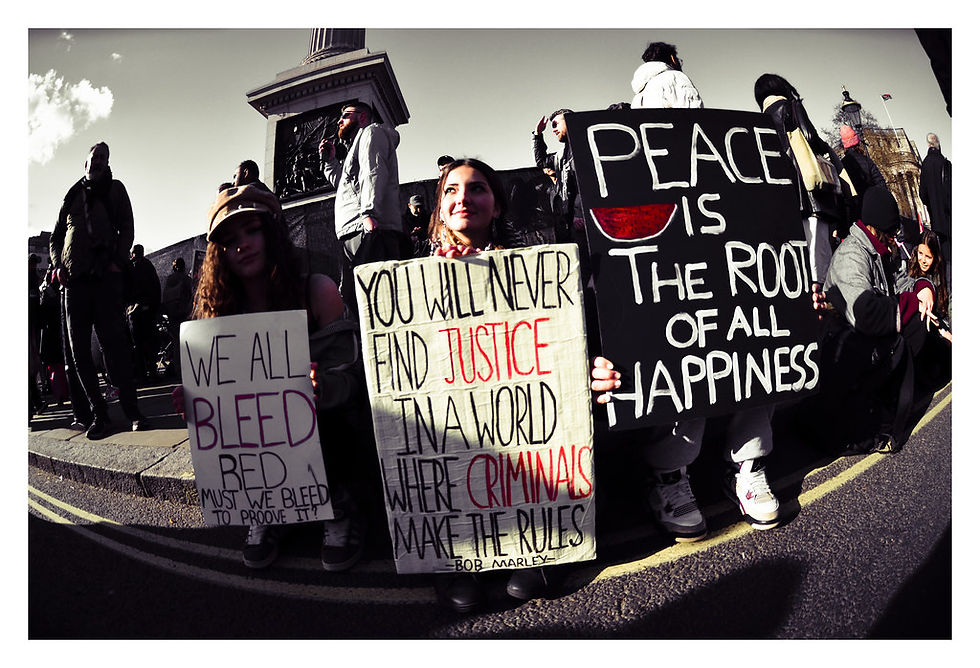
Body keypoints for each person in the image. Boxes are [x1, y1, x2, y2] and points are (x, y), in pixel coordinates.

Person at [175, 184, 370, 572]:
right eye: (229, 240)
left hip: (323, 425)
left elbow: (355, 385)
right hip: (265, 450)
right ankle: (263, 507)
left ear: (274, 233)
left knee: (330, 418)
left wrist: (323, 386)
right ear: (219, 254)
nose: (242, 245)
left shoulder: (317, 290)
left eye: (252, 231)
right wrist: (196, 402)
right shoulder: (215, 314)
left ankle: (341, 507)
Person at [425, 158, 549, 612]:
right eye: (452, 190)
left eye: (477, 189)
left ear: (496, 206)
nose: (464, 198)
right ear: (440, 207)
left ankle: (530, 538)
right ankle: (456, 552)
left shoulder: (532, 271)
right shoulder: (412, 280)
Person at [818, 186, 950, 452]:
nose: (895, 239)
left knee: (922, 323)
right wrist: (912, 303)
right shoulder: (852, 256)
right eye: (892, 233)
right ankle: (881, 408)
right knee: (911, 324)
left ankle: (896, 395)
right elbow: (865, 314)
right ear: (880, 230)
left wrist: (923, 287)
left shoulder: (880, 250)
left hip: (871, 341)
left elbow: (903, 281)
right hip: (847, 349)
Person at [49, 141, 148, 439]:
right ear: (85, 163)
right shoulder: (71, 196)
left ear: (108, 162)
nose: (98, 161)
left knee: (116, 346)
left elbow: (127, 226)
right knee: (79, 353)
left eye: (104, 157)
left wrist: (118, 259)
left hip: (105, 280)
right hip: (73, 284)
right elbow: (56, 237)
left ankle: (133, 412)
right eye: (94, 157)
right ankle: (99, 415)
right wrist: (56, 265)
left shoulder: (116, 190)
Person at [755, 74, 854, 291]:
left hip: (785, 198)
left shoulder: (760, 120)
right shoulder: (791, 106)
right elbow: (809, 136)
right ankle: (824, 296)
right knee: (819, 254)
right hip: (811, 192)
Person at [318, 101, 411, 307]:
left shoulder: (371, 132)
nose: (339, 121)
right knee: (356, 297)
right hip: (354, 229)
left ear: (362, 117)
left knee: (376, 299)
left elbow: (374, 171)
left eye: (346, 115)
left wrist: (370, 213)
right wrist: (329, 162)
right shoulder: (355, 147)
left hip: (368, 228)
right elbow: (345, 186)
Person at [533, 109, 583, 248]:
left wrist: (581, 214)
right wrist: (537, 135)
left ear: (570, 120)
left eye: (556, 124)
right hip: (568, 222)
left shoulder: (585, 145)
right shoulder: (561, 155)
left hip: (584, 221)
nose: (553, 129)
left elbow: (588, 185)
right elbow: (541, 161)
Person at [839, 124, 886, 236]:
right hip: (871, 210)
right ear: (858, 143)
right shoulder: (867, 161)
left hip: (853, 215)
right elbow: (881, 184)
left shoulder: (841, 165)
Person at [918, 133, 951, 286]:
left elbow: (922, 194)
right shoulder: (945, 162)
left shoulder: (925, 164)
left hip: (937, 219)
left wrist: (932, 204)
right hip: (950, 215)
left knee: (944, 256)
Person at [629, 41, 703, 109]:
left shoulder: (640, 90)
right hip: (672, 123)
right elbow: (695, 111)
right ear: (672, 58)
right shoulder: (677, 77)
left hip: (648, 124)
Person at [128, 244, 161, 384]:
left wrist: (128, 307)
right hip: (147, 310)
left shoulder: (129, 267)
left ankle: (142, 375)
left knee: (138, 345)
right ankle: (152, 372)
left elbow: (124, 289)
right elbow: (156, 288)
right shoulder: (148, 266)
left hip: (133, 312)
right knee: (149, 342)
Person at [908, 229, 950, 329]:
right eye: (920, 253)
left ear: (936, 257)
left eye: (928, 257)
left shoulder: (946, 273)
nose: (923, 260)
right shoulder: (909, 269)